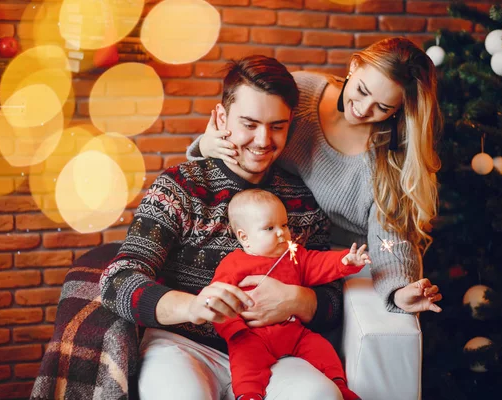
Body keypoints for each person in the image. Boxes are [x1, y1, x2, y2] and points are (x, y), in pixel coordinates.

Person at [100, 55, 350, 400]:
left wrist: (298, 299)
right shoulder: (180, 187)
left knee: (319, 396)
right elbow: (118, 279)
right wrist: (192, 306)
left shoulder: (303, 199)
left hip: (278, 350)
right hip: (186, 346)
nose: (263, 141)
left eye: (277, 126)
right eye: (249, 123)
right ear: (221, 118)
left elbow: (334, 299)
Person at [188, 37, 444, 315]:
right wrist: (206, 145)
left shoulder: (391, 157)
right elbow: (247, 129)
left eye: (383, 108)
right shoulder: (303, 91)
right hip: (270, 234)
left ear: (399, 110)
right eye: (362, 90)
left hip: (339, 254)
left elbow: (390, 234)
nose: (363, 108)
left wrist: (399, 289)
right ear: (354, 65)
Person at [212, 189, 369, 400]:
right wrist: (234, 330)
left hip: (292, 331)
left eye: (284, 225)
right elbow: (218, 300)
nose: (281, 233)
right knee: (246, 363)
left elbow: (318, 263)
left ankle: (338, 385)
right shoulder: (233, 264)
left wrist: (345, 261)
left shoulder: (294, 255)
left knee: (322, 349)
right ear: (244, 237)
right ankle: (248, 395)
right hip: (251, 335)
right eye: (269, 228)